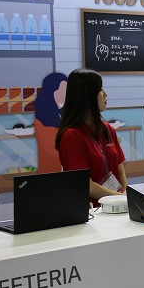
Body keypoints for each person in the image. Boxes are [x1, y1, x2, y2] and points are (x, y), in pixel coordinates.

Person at [55, 68, 126, 208]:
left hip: (118, 207)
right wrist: (122, 198)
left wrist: (123, 197)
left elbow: (120, 172)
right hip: (91, 212)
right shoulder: (71, 136)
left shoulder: (108, 129)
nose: (105, 94)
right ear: (86, 95)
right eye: (100, 89)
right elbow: (87, 186)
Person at [34, 72, 68, 173]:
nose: (66, 94)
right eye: (63, 90)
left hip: (64, 168)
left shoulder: (62, 111)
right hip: (52, 168)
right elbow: (51, 148)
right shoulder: (43, 117)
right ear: (52, 91)